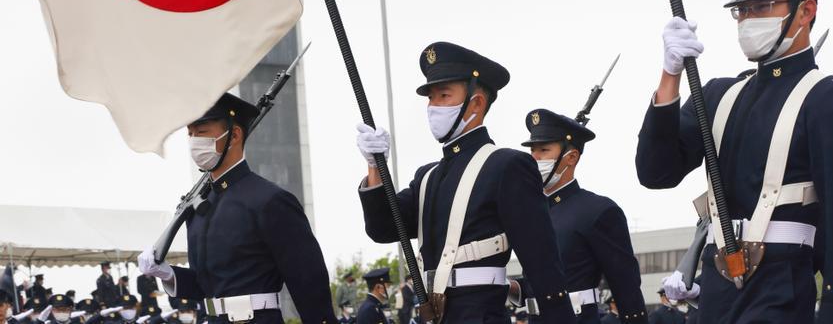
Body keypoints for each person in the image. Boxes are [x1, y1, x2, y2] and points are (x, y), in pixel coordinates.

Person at [635, 0, 833, 323]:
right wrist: (670, 76)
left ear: (805, 11)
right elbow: (655, 172)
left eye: (762, 8)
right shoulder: (717, 95)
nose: (747, 20)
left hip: (781, 292)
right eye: (741, 10)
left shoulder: (829, 99)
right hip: (716, 292)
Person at [356, 42, 577, 323]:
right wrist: (375, 166)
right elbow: (383, 227)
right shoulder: (427, 177)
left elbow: (542, 263)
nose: (434, 107)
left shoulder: (506, 166)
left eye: (444, 96)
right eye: (431, 99)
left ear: (476, 103)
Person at [138, 93, 338, 324]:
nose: (194, 141)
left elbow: (308, 284)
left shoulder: (270, 200)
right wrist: (167, 273)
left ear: (234, 135)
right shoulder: (199, 208)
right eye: (190, 134)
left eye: (201, 132)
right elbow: (206, 286)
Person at [515, 109, 647, 323]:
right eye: (532, 151)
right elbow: (542, 282)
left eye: (544, 150)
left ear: (571, 157)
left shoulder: (598, 210)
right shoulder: (532, 212)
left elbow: (626, 287)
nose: (534, 158)